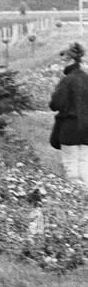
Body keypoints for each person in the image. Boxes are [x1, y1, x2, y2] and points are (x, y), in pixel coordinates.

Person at [50, 42, 88, 188]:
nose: (61, 64)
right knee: (84, 164)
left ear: (71, 60)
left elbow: (55, 104)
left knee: (71, 165)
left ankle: (74, 202)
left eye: (63, 60)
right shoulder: (87, 78)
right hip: (87, 129)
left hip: (69, 128)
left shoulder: (67, 80)